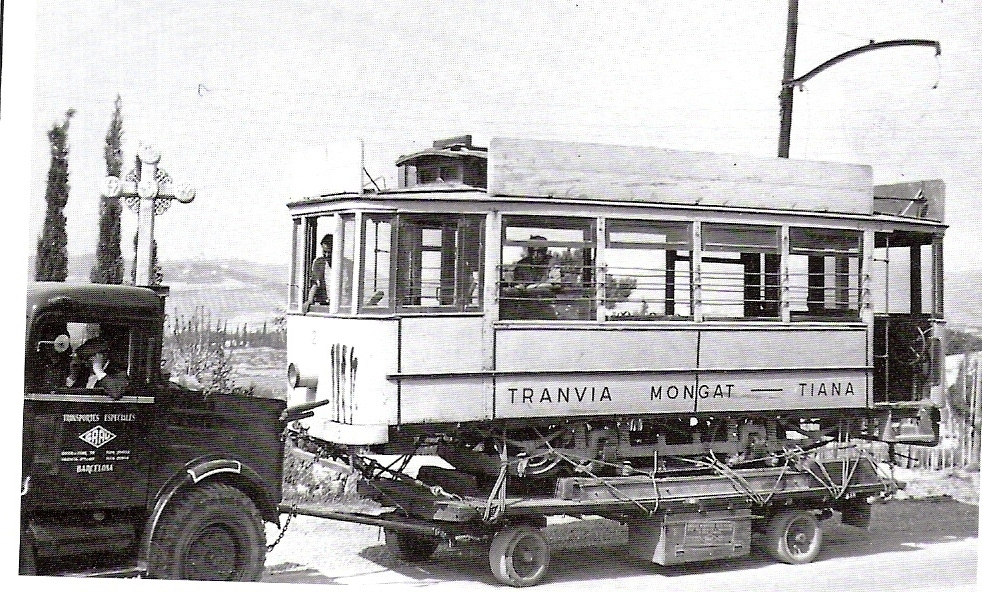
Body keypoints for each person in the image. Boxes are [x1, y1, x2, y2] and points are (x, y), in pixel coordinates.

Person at [500, 235, 562, 320]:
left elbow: (556, 283)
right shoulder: (522, 264)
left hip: (546, 304)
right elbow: (517, 284)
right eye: (532, 251)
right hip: (525, 306)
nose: (535, 255)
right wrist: (519, 286)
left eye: (539, 251)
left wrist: (533, 287)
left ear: (545, 251)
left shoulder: (552, 262)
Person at [304, 234, 333, 313]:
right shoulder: (319, 263)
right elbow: (315, 283)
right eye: (324, 251)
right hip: (324, 304)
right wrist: (310, 300)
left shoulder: (345, 265)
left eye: (329, 252)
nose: (326, 255)